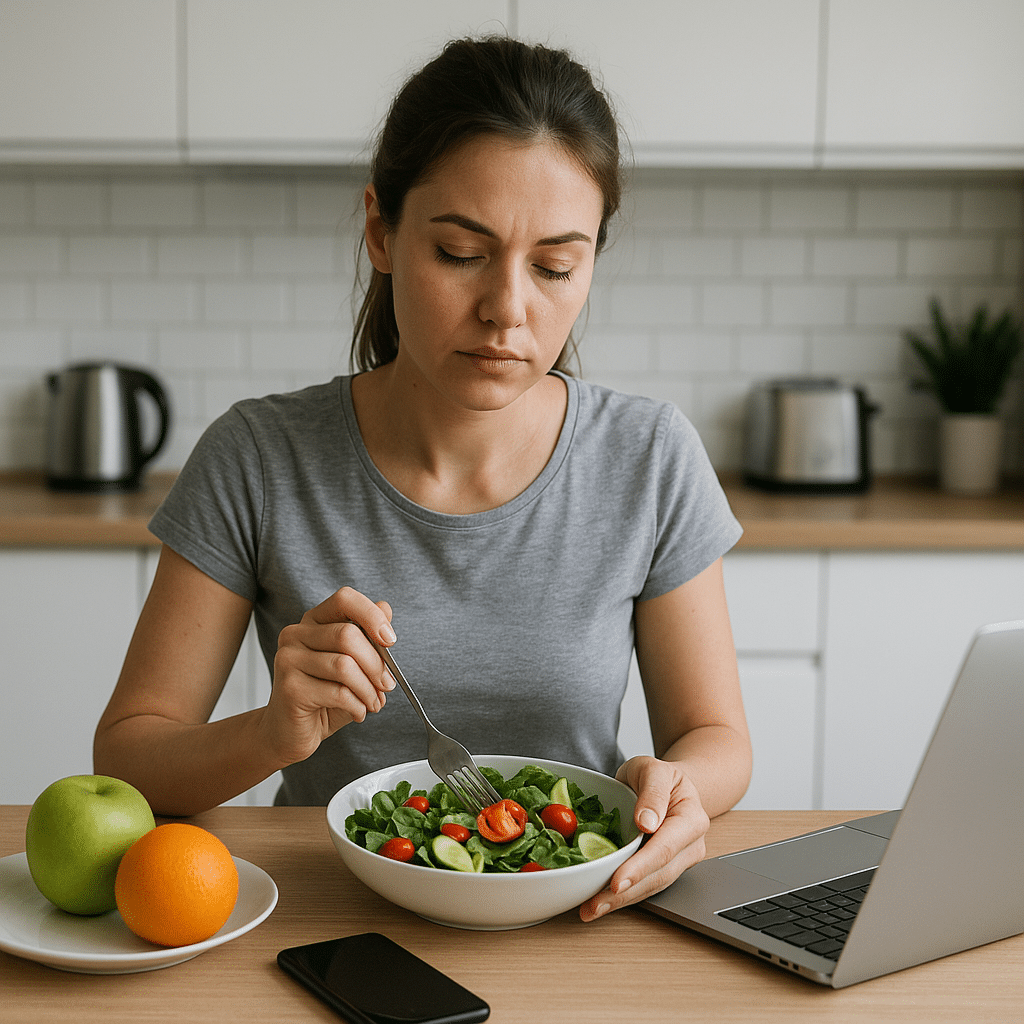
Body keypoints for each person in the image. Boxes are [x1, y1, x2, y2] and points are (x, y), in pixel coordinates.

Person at [94, 35, 752, 922]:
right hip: (330, 916)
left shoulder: (649, 457)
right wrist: (272, 732)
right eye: (459, 253)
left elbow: (718, 740)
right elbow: (128, 759)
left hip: (583, 920)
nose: (508, 310)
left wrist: (677, 786)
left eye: (556, 267)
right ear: (382, 230)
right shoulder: (258, 455)